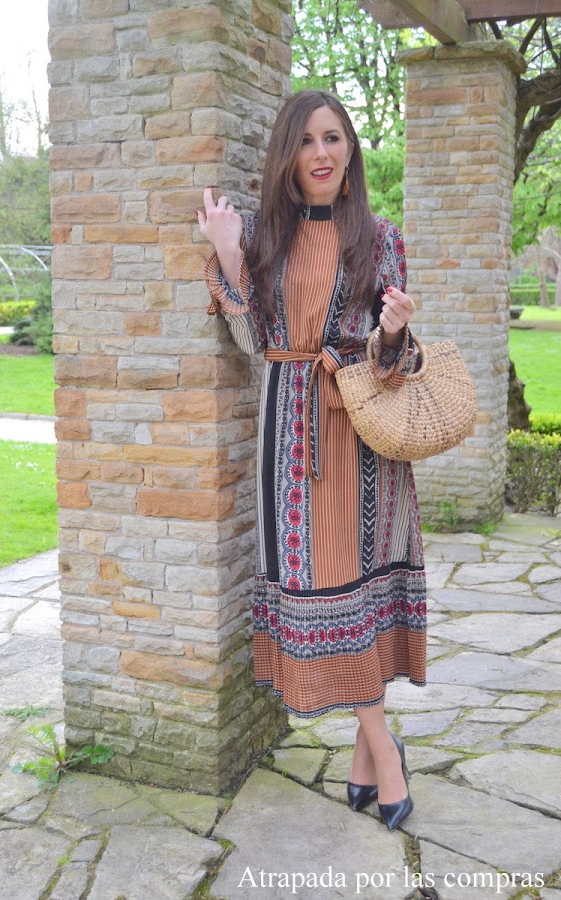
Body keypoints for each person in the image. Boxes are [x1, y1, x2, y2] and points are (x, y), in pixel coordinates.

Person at [198, 89, 426, 832]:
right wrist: (227, 251)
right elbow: (251, 343)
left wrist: (392, 332)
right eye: (306, 140)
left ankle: (376, 756)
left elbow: (396, 365)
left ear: (350, 149)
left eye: (333, 138)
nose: (321, 153)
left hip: (362, 436)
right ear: (288, 155)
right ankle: (381, 747)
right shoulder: (269, 238)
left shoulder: (382, 238)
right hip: (290, 436)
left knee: (361, 592)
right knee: (319, 585)